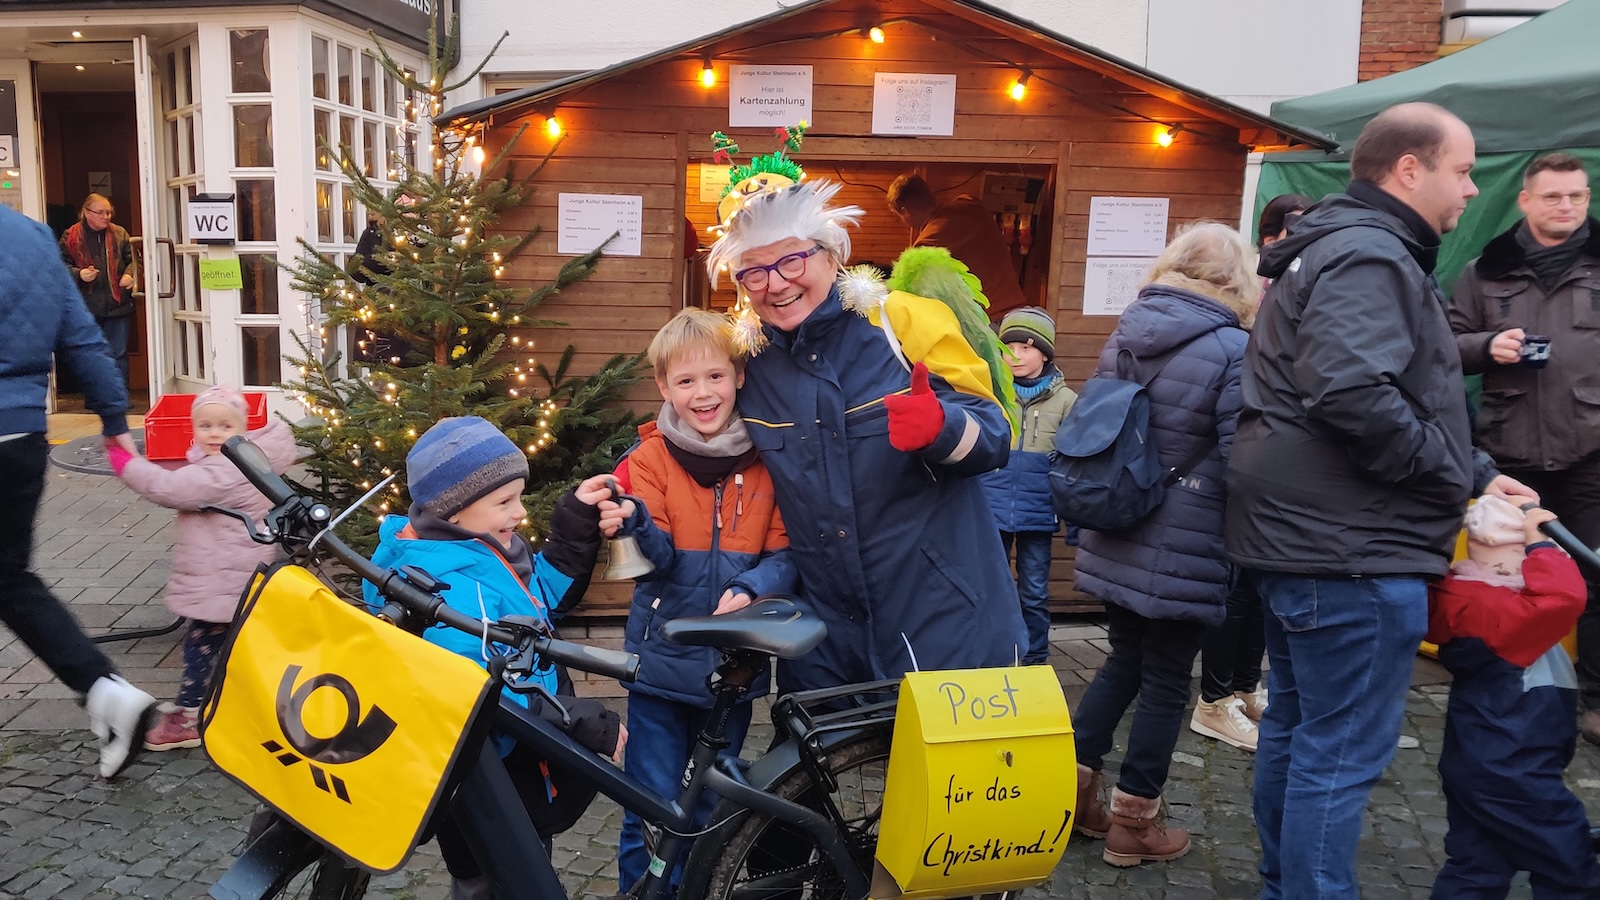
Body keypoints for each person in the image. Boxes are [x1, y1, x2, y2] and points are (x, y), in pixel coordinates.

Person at [1225, 102, 1537, 898]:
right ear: (1409, 169)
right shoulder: (1368, 255)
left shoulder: (1339, 247)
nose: (1471, 190)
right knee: (1333, 755)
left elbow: (1375, 385)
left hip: (1312, 538)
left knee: (1297, 737)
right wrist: (1448, 470)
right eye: (1462, 171)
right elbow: (1353, 390)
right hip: (1349, 548)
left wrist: (1470, 470)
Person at [705, 178, 1027, 693]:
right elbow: (702, 431)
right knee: (818, 773)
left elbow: (996, 435)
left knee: (946, 774)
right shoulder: (749, 363)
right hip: (824, 643)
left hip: (943, 623)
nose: (777, 283)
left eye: (792, 261)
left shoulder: (903, 323)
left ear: (830, 255)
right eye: (754, 272)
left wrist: (942, 427)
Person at [363, 417, 628, 900]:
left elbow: (536, 600)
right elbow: (476, 686)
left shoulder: (473, 549)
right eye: (504, 502)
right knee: (500, 876)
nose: (520, 513)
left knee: (499, 872)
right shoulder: (447, 585)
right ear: (454, 509)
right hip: (492, 773)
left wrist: (575, 522)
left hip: (498, 762)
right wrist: (577, 720)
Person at [1069, 222, 1253, 866]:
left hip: (1120, 520)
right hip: (1188, 539)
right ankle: (1133, 823)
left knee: (1123, 660)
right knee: (1169, 680)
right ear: (1237, 280)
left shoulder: (1129, 330)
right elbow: (1242, 455)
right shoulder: (1234, 347)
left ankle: (1073, 797)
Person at [607, 308, 794, 892]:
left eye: (715, 376)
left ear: (738, 376)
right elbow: (656, 561)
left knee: (710, 808)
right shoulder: (650, 459)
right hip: (662, 662)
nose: (703, 393)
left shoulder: (770, 457)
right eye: (685, 381)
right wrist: (634, 522)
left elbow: (787, 555)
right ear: (664, 387)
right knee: (648, 807)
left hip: (730, 668)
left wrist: (752, 587)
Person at [1448, 151, 1600, 746]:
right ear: (1526, 201)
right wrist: (1488, 345)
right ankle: (1498, 682)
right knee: (1499, 577)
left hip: (1591, 450)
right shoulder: (1486, 270)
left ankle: (1594, 698)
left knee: (1593, 576)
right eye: (1554, 196)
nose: (1567, 206)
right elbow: (1447, 345)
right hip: (1508, 456)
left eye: (1578, 196)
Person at [0, 203, 156, 779]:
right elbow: (82, 336)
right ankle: (106, 691)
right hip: (19, 437)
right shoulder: (33, 237)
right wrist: (116, 421)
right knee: (10, 580)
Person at [1425, 495, 1600, 898]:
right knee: (1568, 859)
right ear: (1512, 559)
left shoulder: (1463, 595)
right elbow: (1565, 596)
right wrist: (1541, 542)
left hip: (1478, 762)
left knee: (1477, 861)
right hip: (1514, 769)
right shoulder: (1509, 617)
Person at [105, 386, 297, 751]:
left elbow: (171, 488)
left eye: (224, 426)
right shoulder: (249, 460)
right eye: (205, 425)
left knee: (200, 648)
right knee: (238, 648)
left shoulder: (225, 471)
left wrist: (124, 463)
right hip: (234, 574)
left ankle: (190, 717)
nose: (213, 433)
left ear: (242, 430)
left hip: (220, 581)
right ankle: (259, 710)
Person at [1186, 198, 1312, 752]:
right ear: (1274, 236)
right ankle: (1213, 699)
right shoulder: (1251, 296)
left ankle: (1240, 686)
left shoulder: (1297, 285)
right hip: (1242, 460)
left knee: (1259, 591)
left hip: (1272, 451)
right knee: (1235, 592)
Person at [979, 306, 1076, 665]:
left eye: (1026, 347)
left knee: (1033, 591)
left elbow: (1073, 461)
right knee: (993, 587)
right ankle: (994, 653)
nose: (1015, 356)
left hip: (1039, 512)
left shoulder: (1067, 402)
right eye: (1009, 348)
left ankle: (1034, 659)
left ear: (1045, 353)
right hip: (993, 508)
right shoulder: (991, 394)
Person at [887, 173, 1029, 318]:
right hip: (1019, 312)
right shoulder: (972, 203)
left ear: (905, 211)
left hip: (991, 322)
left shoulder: (926, 244)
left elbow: (900, 292)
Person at [58, 193, 137, 386]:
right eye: (101, 212)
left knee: (118, 354)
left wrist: (130, 274)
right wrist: (79, 274)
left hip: (118, 304)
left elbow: (135, 260)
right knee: (90, 354)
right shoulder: (71, 236)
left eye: (109, 212)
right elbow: (58, 266)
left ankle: (120, 398)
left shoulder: (120, 233)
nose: (106, 216)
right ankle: (94, 399)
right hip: (85, 307)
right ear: (86, 212)